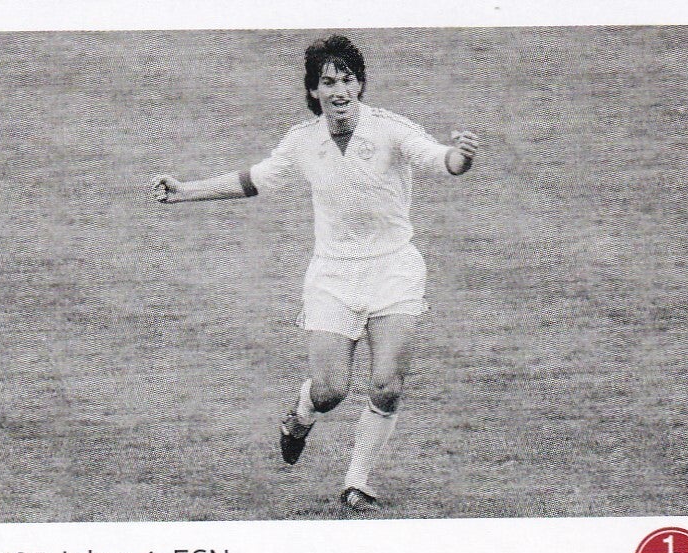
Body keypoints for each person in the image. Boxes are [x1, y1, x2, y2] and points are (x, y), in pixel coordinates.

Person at [154, 34, 478, 512]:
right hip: (333, 276)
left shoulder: (390, 129)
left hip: (394, 269)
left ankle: (356, 482)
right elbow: (254, 180)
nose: (339, 90)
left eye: (347, 79)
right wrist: (185, 191)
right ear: (314, 91)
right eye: (328, 82)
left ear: (360, 85)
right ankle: (301, 416)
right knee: (330, 391)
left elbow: (438, 158)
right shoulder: (303, 141)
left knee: (387, 384)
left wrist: (460, 157)